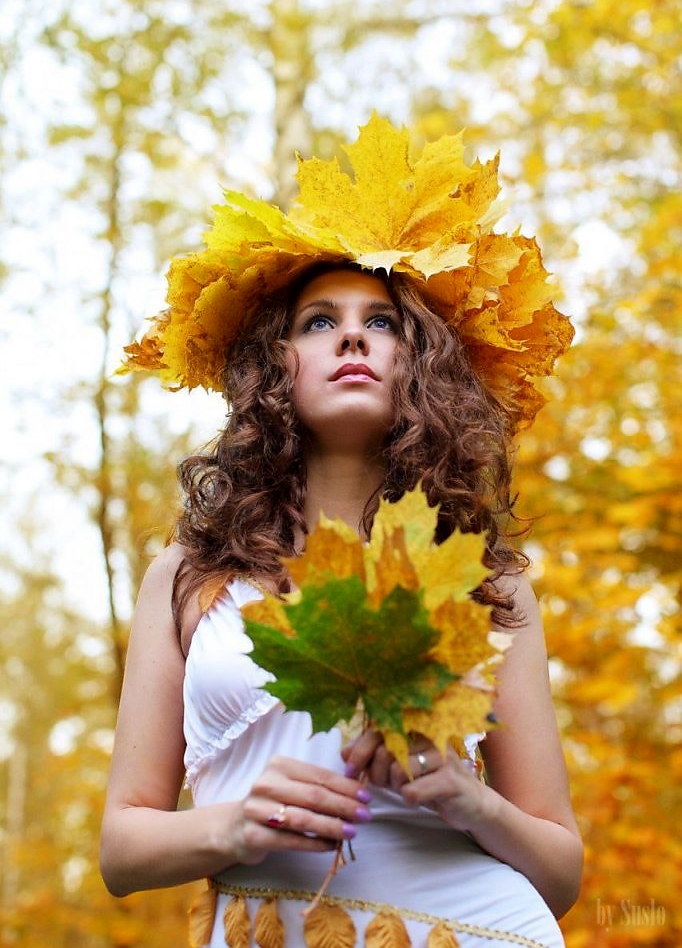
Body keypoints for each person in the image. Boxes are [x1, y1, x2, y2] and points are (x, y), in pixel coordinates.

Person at [100, 116, 583, 948]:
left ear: (419, 365)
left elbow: (562, 872)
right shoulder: (191, 576)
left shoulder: (486, 582)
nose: (353, 334)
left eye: (383, 322)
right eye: (318, 321)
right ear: (273, 364)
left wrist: (471, 801)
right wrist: (232, 826)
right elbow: (121, 850)